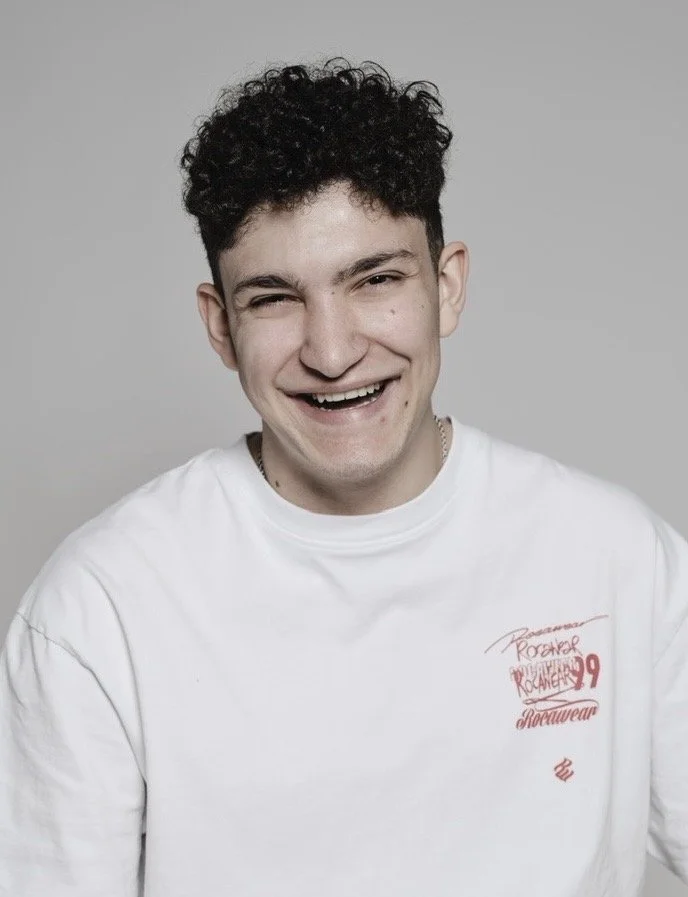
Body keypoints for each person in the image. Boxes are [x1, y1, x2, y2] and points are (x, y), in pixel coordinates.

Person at [0, 59, 687, 897]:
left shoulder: (619, 559)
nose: (332, 351)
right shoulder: (101, 607)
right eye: (274, 298)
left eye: (376, 280)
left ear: (447, 286)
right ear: (220, 326)